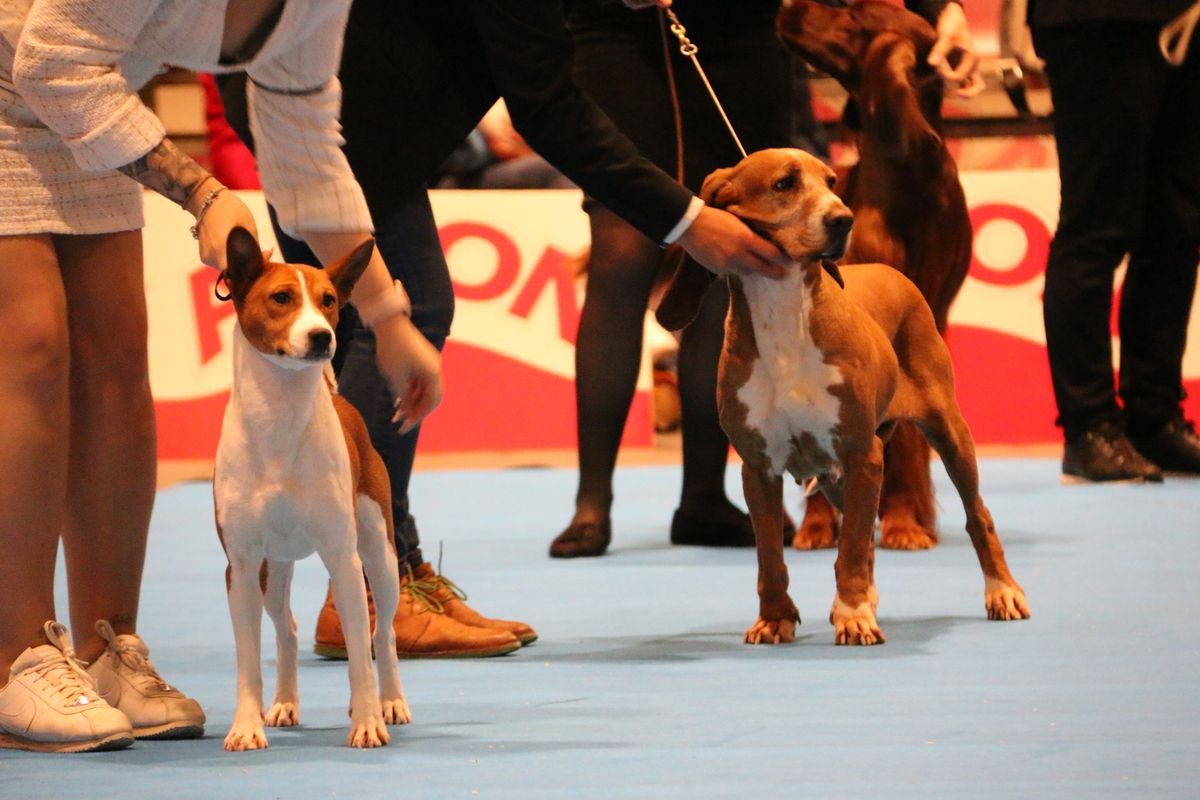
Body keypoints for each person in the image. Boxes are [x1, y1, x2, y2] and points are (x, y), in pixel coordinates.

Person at [216, 0, 793, 658]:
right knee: (408, 312)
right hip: (322, 108)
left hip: (326, 97)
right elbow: (547, 108)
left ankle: (391, 572)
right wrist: (689, 221)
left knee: (377, 323)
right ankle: (371, 594)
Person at [0, 0, 441, 752]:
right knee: (35, 347)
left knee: (115, 364)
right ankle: (19, 655)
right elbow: (49, 61)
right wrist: (200, 191)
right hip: (26, 85)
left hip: (97, 114)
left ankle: (110, 649)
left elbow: (304, 145)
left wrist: (389, 316)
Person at [550, 0, 984, 559]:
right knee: (620, 255)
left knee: (738, 251)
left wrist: (939, 9)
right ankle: (592, 505)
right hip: (617, 34)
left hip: (741, 38)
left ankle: (705, 497)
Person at [1029, 0, 1200, 482]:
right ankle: (1089, 428)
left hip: (1187, 17)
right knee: (1096, 225)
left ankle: (1155, 417)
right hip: (1099, 17)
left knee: (1178, 227)